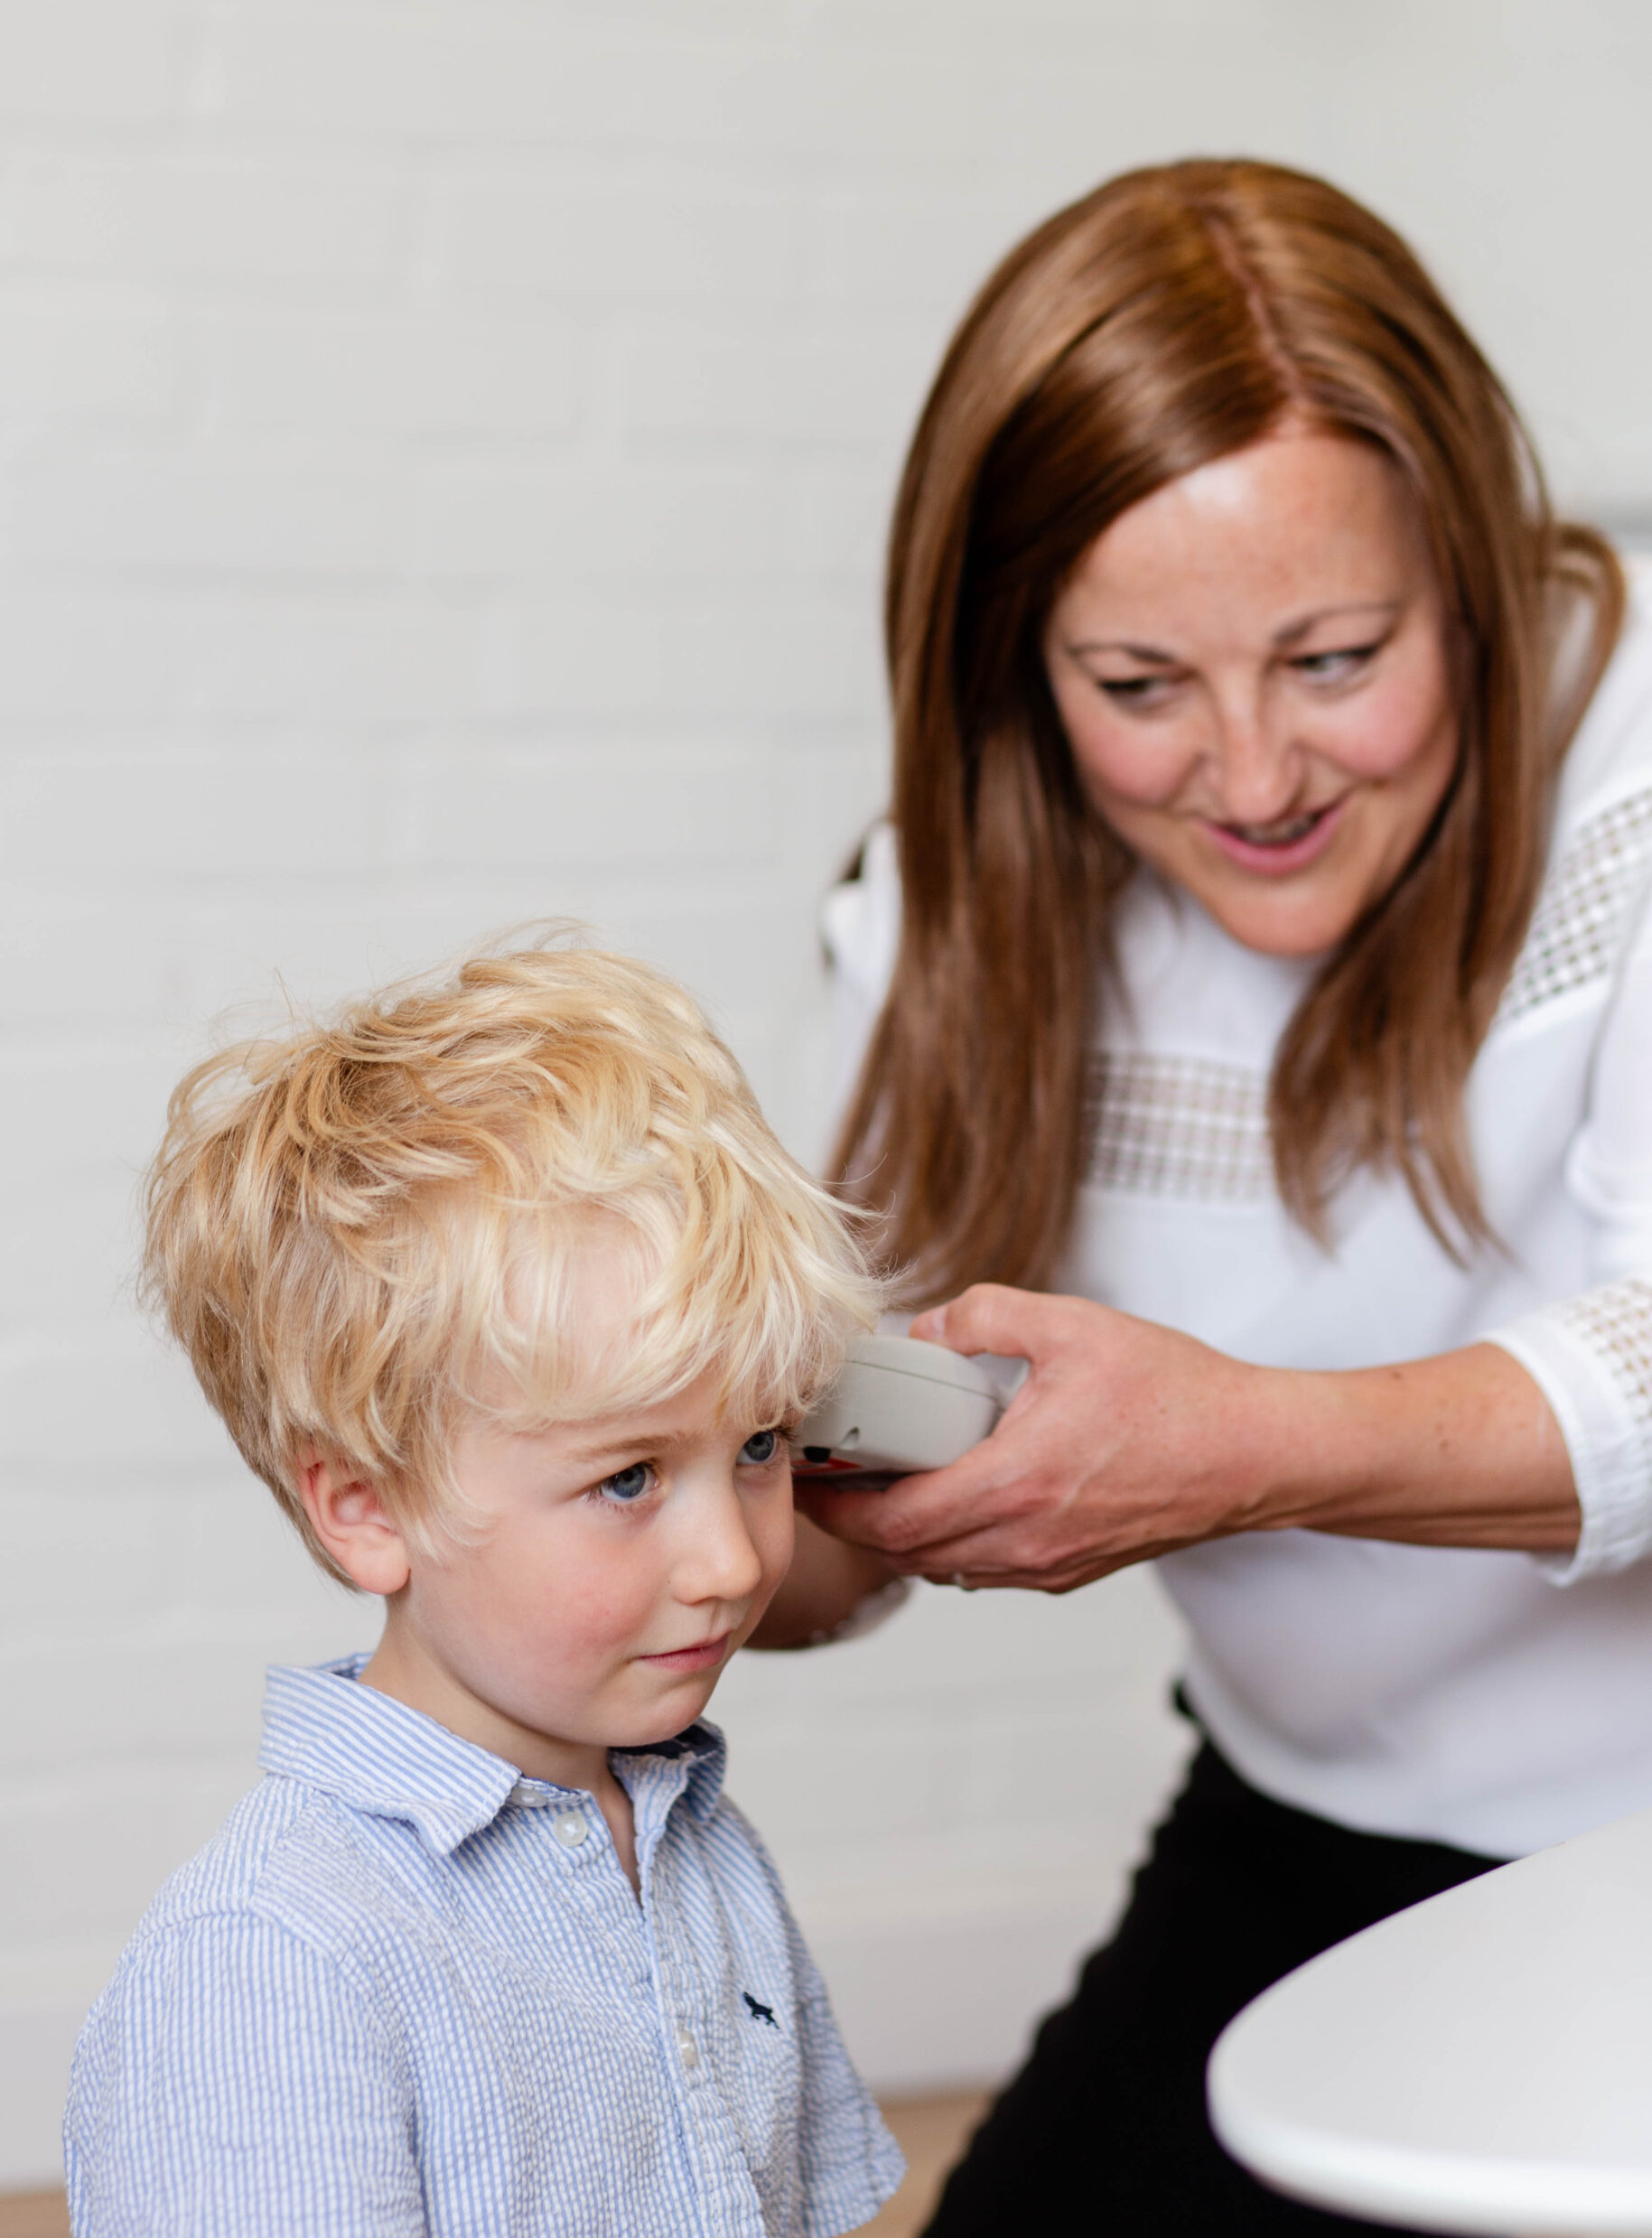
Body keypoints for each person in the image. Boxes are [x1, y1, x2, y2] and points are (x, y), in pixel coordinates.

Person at [756, 158, 1652, 2232]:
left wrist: (1241, 1450)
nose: (1250, 779)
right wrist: (638, 1507)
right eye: (1137, 689)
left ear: (1475, 579)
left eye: (1338, 655)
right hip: (1312, 1817)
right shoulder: (955, 908)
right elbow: (830, 1533)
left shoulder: (1634, 771)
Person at [65, 945, 903, 2238]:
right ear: (367, 1509)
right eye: (627, 1479)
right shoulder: (273, 1958)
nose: (735, 1563)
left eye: (755, 1450)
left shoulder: (696, 1845)